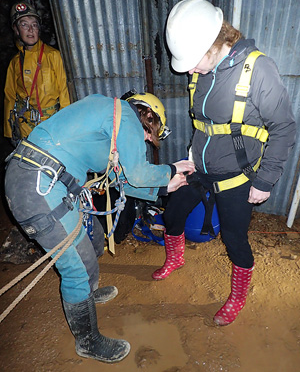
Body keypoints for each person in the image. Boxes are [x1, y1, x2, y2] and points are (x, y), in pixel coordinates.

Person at [4, 92, 195, 363]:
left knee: (90, 243)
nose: (147, 140)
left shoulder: (110, 119)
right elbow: (138, 173)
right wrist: (170, 170)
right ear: (147, 117)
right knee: (76, 268)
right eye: (150, 134)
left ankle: (87, 295)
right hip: (39, 187)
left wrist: (164, 184)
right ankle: (88, 341)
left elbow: (124, 178)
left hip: (38, 180)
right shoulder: (125, 116)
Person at [152, 0, 296, 326]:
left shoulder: (258, 70)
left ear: (214, 44)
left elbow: (284, 128)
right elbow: (205, 124)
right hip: (199, 168)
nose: (189, 70)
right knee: (173, 212)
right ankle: (175, 259)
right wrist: (190, 156)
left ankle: (238, 295)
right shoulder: (205, 71)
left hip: (238, 176)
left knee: (234, 238)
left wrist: (266, 179)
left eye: (192, 60)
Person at [4, 1, 70, 146]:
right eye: (24, 25)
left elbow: (65, 93)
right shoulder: (15, 63)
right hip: (25, 127)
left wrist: (65, 126)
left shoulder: (52, 56)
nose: (30, 30)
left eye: (34, 25)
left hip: (52, 125)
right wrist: (10, 132)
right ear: (16, 30)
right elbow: (9, 97)